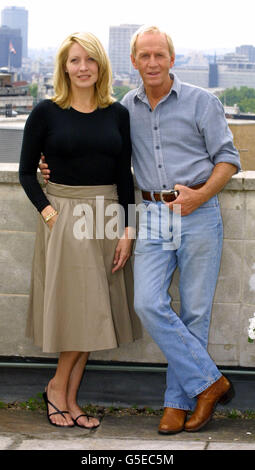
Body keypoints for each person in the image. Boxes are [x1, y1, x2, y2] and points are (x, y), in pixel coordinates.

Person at [40, 25, 241, 434]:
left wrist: (198, 197)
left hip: (199, 213)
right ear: (133, 61)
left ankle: (178, 403)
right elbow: (98, 149)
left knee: (196, 311)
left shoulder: (202, 102)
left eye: (159, 55)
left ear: (172, 58)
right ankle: (211, 382)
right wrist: (49, 165)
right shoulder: (123, 109)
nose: (152, 62)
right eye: (144, 56)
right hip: (151, 213)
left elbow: (228, 160)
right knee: (148, 302)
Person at [19, 31, 141, 429]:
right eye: (75, 60)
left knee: (95, 307)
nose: (83, 67)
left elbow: (124, 176)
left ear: (101, 65)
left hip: (107, 217)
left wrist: (127, 229)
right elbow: (25, 173)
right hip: (65, 216)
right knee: (81, 308)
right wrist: (51, 215)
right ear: (64, 67)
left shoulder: (117, 113)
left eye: (90, 60)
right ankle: (57, 388)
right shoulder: (45, 112)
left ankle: (68, 397)